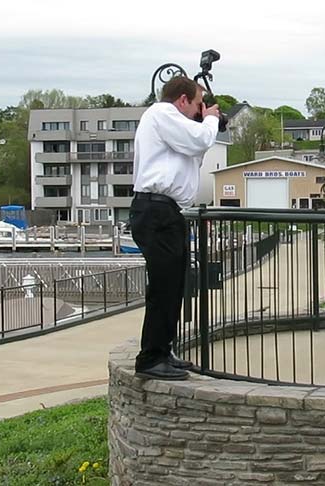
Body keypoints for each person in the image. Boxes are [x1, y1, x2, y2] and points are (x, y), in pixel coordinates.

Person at [130, 76, 220, 380]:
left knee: (174, 285)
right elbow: (199, 140)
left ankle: (163, 349)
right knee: (163, 286)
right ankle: (150, 357)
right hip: (155, 210)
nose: (199, 110)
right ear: (182, 100)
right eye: (196, 104)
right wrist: (209, 120)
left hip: (167, 212)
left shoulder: (173, 127)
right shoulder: (161, 114)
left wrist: (203, 122)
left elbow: (194, 151)